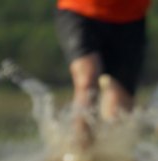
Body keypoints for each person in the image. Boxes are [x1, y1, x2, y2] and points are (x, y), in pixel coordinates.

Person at [55, 0, 151, 150]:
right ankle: (79, 155)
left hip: (131, 17)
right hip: (80, 9)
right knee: (87, 81)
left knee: (120, 109)